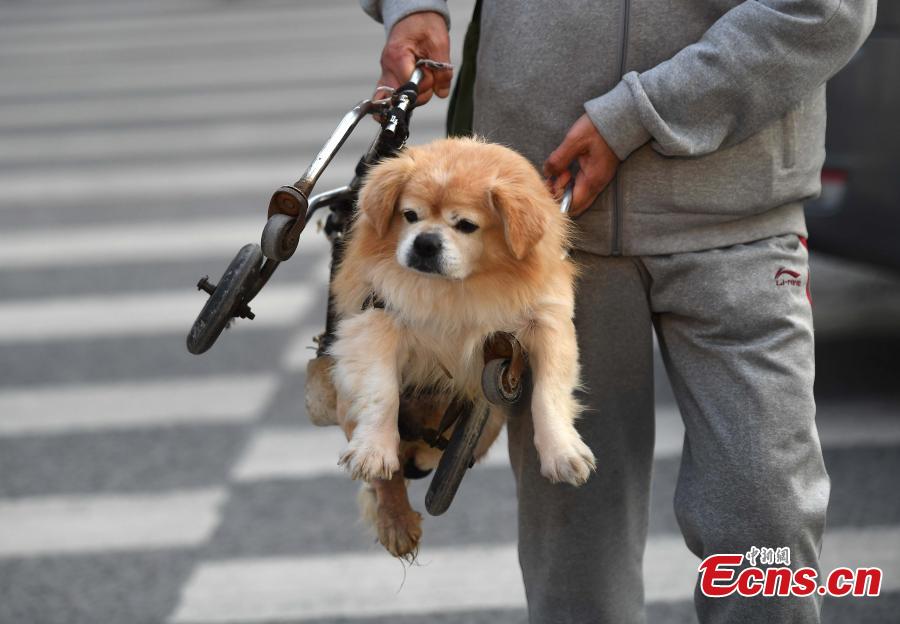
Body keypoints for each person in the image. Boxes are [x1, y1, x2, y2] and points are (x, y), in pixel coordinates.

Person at [360, 1, 877, 622]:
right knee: (576, 552)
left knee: (766, 521)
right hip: (535, 226)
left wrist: (639, 114)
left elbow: (827, 10)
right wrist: (415, 7)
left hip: (741, 213)